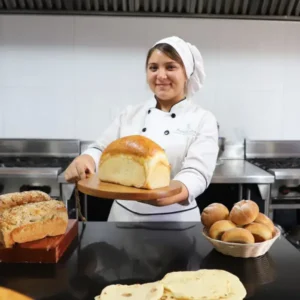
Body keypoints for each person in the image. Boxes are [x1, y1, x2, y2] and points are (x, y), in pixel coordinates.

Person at [65, 36, 219, 222]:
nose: (160, 75)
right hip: (123, 218)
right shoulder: (130, 114)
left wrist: (172, 191)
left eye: (170, 67)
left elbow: (198, 171)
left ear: (187, 73)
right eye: (153, 68)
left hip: (177, 219)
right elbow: (102, 149)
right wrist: (86, 159)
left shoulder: (202, 119)